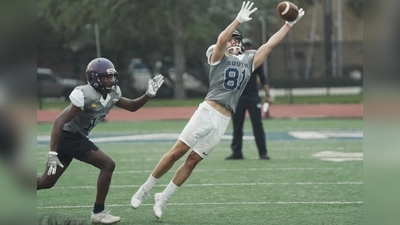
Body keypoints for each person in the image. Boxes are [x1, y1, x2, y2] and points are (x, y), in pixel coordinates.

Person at [130, 1, 305, 219]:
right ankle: (145, 188)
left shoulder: (249, 61)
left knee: (193, 161)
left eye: (237, 40)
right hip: (206, 112)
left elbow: (270, 45)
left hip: (223, 120)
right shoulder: (218, 57)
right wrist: (238, 19)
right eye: (232, 39)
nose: (233, 42)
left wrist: (289, 24)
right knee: (177, 152)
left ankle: (163, 197)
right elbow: (222, 39)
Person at [37, 57, 164, 224]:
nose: (110, 80)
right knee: (108, 165)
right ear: (94, 78)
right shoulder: (85, 94)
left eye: (111, 76)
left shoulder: (112, 93)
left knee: (47, 182)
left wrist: (148, 95)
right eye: (105, 77)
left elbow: (132, 106)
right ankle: (98, 212)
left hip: (74, 138)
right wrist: (52, 152)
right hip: (69, 137)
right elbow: (59, 121)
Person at [226, 38, 271, 160]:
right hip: (238, 98)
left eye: (248, 46)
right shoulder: (234, 61)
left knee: (257, 125)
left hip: (252, 98)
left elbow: (263, 79)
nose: (246, 49)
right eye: (244, 46)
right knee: (237, 126)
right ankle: (237, 152)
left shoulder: (255, 61)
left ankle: (263, 152)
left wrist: (268, 95)